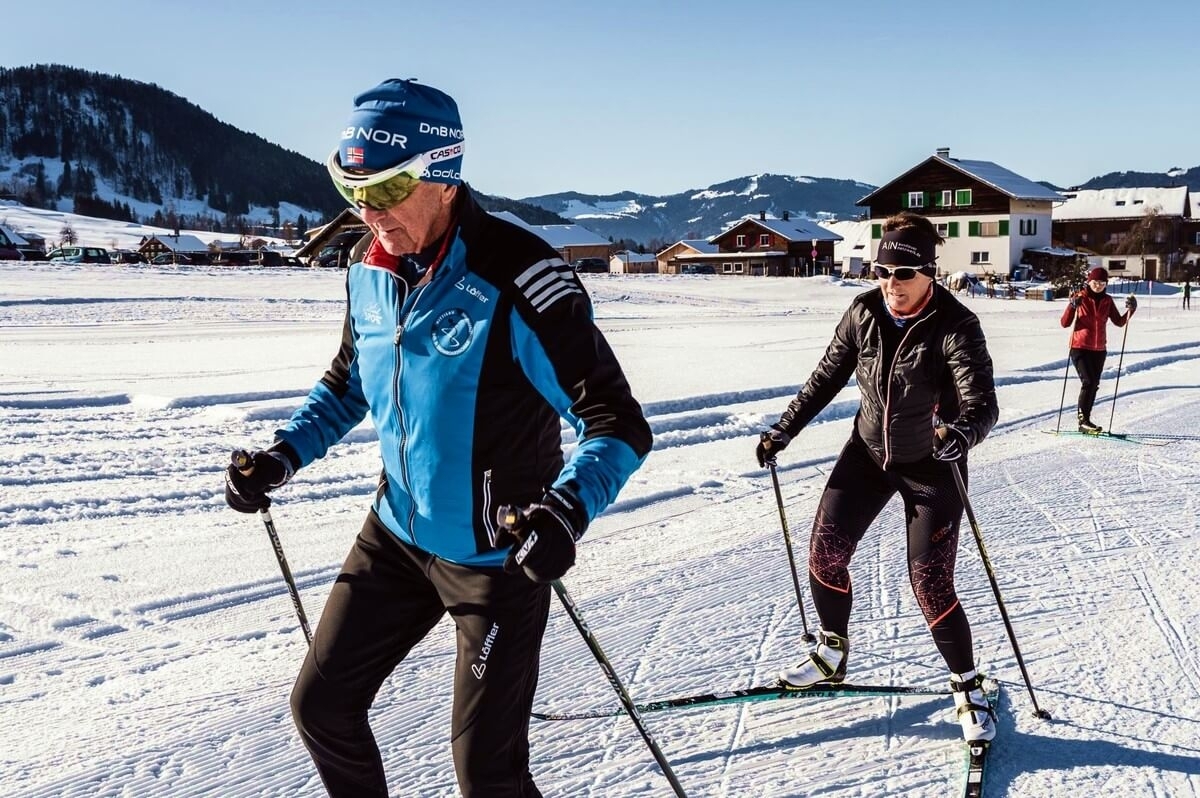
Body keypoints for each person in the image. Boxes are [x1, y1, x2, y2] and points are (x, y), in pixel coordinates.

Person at [223, 78, 652, 797]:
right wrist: (281, 456)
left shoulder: (517, 277)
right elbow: (348, 383)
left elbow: (615, 422)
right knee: (321, 708)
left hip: (495, 560)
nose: (365, 210)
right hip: (396, 536)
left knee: (486, 776)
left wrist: (566, 513)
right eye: (348, 186)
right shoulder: (367, 267)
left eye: (386, 190)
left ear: (444, 178)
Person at [754, 211, 1000, 742]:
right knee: (825, 551)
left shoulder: (956, 325)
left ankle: (967, 688)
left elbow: (982, 401)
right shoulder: (864, 311)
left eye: (903, 274)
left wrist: (962, 433)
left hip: (932, 466)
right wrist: (784, 431)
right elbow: (826, 376)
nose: (891, 284)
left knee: (929, 581)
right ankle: (830, 651)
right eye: (882, 271)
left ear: (929, 272)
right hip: (867, 454)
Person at [1060, 266, 1136, 433]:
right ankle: (1083, 421)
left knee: (1094, 384)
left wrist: (1131, 310)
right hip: (1079, 347)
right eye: (1095, 282)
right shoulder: (1080, 297)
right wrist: (1072, 306)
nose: (1098, 285)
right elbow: (1065, 323)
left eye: (1102, 283)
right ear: (1089, 281)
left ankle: (1086, 421)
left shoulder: (1107, 301)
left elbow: (1119, 322)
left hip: (1099, 349)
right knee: (1088, 381)